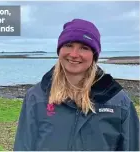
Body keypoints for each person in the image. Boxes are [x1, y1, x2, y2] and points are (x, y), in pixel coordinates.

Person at [13, 18, 139, 151]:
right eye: (68, 45)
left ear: (93, 55)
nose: (74, 54)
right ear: (59, 50)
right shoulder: (36, 97)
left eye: (84, 48)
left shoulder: (118, 101)